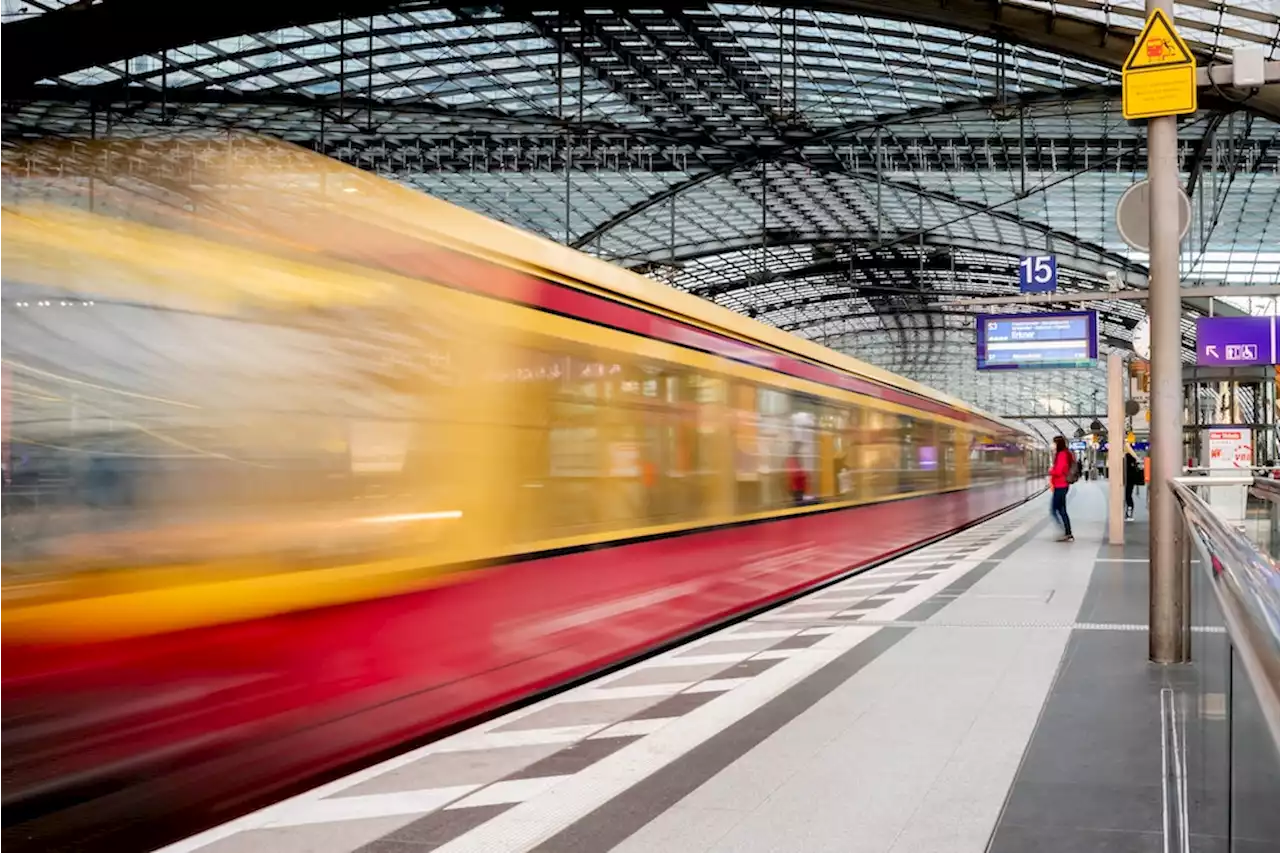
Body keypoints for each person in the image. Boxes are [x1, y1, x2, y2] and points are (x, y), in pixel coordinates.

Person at [1049, 435, 1074, 542]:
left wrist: (1051, 471)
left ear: (1058, 443)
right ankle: (1067, 532)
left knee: (1055, 509)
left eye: (1054, 442)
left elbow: (1059, 471)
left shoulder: (1062, 454)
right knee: (1061, 509)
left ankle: (1064, 531)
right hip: (1061, 485)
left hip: (1061, 485)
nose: (1052, 445)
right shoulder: (1064, 453)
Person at [1124, 446, 1142, 521]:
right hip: (1131, 480)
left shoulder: (1126, 458)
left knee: (1127, 496)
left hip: (1127, 480)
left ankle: (1128, 513)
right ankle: (1129, 513)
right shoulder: (1133, 459)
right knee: (1128, 496)